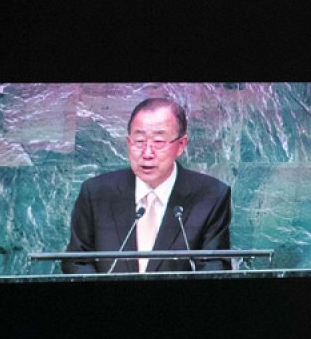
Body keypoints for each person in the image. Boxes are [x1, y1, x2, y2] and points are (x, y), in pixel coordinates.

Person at [64, 97, 233, 274]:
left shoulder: (211, 196)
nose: (147, 153)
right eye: (139, 141)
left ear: (180, 145)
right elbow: (77, 261)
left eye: (158, 142)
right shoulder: (96, 193)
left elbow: (214, 267)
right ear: (128, 142)